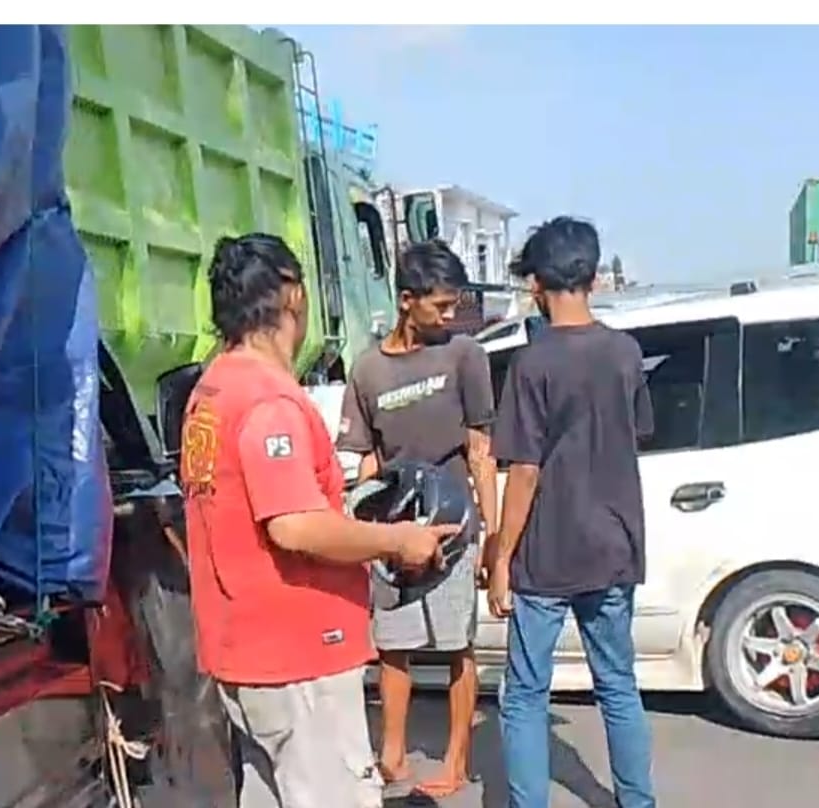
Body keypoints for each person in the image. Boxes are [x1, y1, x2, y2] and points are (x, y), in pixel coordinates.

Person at [179, 232, 459, 808]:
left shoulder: (212, 389)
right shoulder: (268, 401)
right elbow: (294, 525)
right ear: (293, 296)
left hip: (244, 653)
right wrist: (396, 539)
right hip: (296, 654)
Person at [485, 216, 657, 808]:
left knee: (525, 695)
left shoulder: (531, 363)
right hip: (614, 545)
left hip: (547, 555)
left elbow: (524, 471)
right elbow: (636, 434)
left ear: (536, 283)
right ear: (594, 275)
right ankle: (638, 802)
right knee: (618, 686)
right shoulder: (626, 353)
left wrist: (501, 558)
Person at [337, 239, 497, 800]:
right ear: (407, 300)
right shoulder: (368, 370)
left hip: (453, 528)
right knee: (393, 646)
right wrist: (363, 534)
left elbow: (481, 450)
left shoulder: (464, 356)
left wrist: (491, 537)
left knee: (456, 646)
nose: (450, 316)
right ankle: (392, 753)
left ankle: (456, 760)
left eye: (454, 305)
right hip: (395, 531)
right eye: (440, 306)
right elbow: (367, 462)